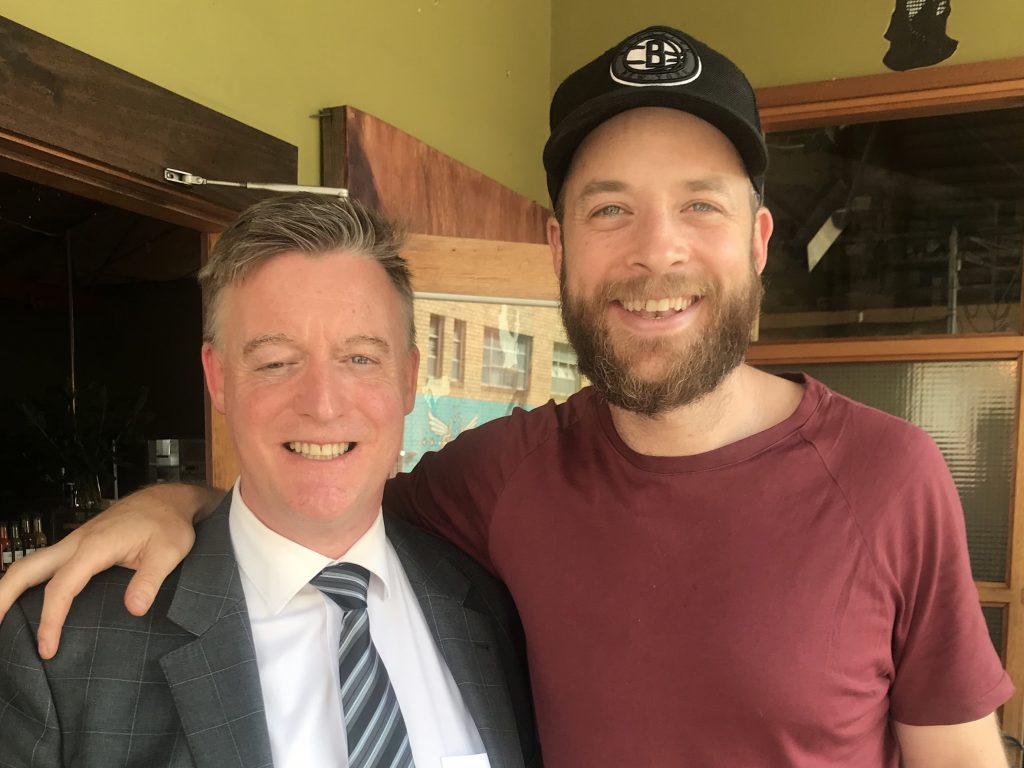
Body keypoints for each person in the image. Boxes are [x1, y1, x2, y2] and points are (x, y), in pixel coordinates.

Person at [0, 24, 1012, 767]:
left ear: (754, 242)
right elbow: (317, 505)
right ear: (561, 249)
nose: (655, 251)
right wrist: (169, 504)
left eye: (698, 205)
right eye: (610, 209)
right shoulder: (493, 481)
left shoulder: (888, 476)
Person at [0, 194, 539, 768]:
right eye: (277, 361)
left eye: (360, 358)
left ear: (407, 379)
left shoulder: (487, 604)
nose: (324, 405)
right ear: (219, 378)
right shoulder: (64, 648)